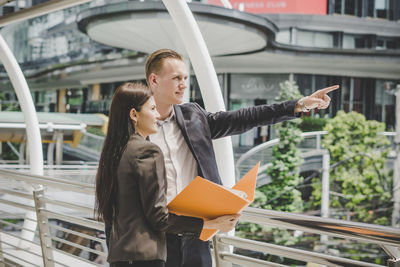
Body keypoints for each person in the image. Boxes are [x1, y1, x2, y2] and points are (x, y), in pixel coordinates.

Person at [145, 48, 339, 267]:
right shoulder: (134, 128)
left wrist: (299, 105)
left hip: (197, 237)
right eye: (176, 78)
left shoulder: (193, 115)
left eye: (185, 78)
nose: (183, 84)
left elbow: (245, 117)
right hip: (155, 239)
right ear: (154, 80)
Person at [95, 82, 240, 267]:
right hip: (146, 258)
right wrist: (213, 224)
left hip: (121, 256)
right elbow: (160, 218)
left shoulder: (115, 152)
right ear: (134, 114)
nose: (157, 115)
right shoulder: (147, 151)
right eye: (153, 108)